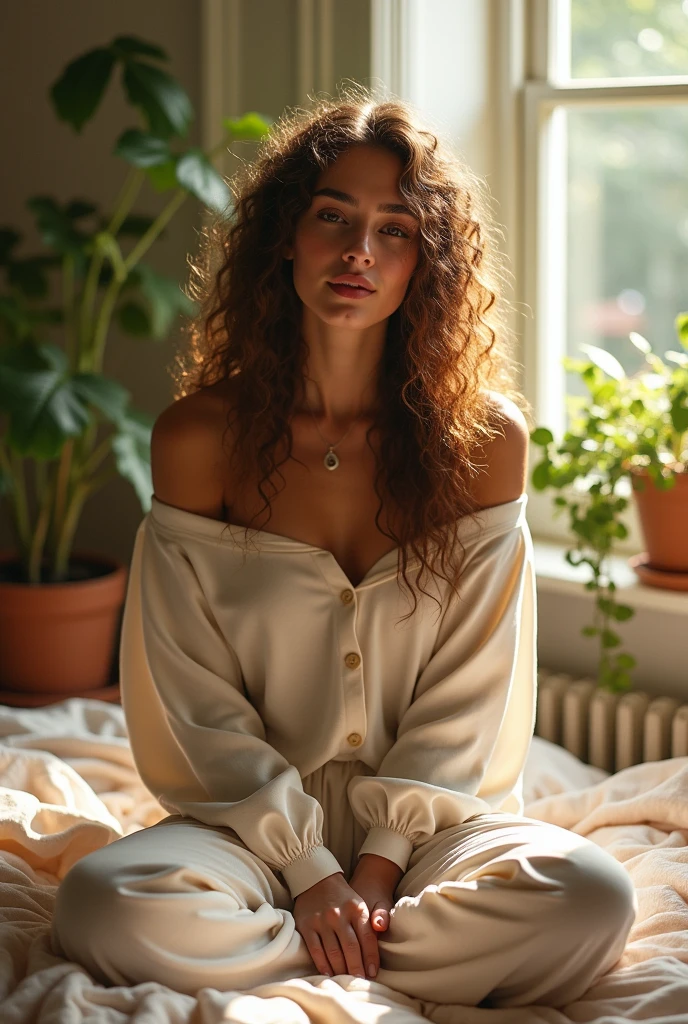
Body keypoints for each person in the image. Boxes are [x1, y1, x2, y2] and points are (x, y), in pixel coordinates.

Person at [50, 86, 637, 1008]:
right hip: (246, 823)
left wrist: (375, 868)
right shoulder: (200, 440)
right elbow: (192, 694)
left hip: (431, 826)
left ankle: (306, 954)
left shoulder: (484, 445)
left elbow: (469, 700)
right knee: (101, 904)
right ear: (287, 234)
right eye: (334, 217)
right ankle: (358, 954)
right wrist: (307, 866)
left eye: (395, 229)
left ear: (426, 262)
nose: (360, 252)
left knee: (593, 897)